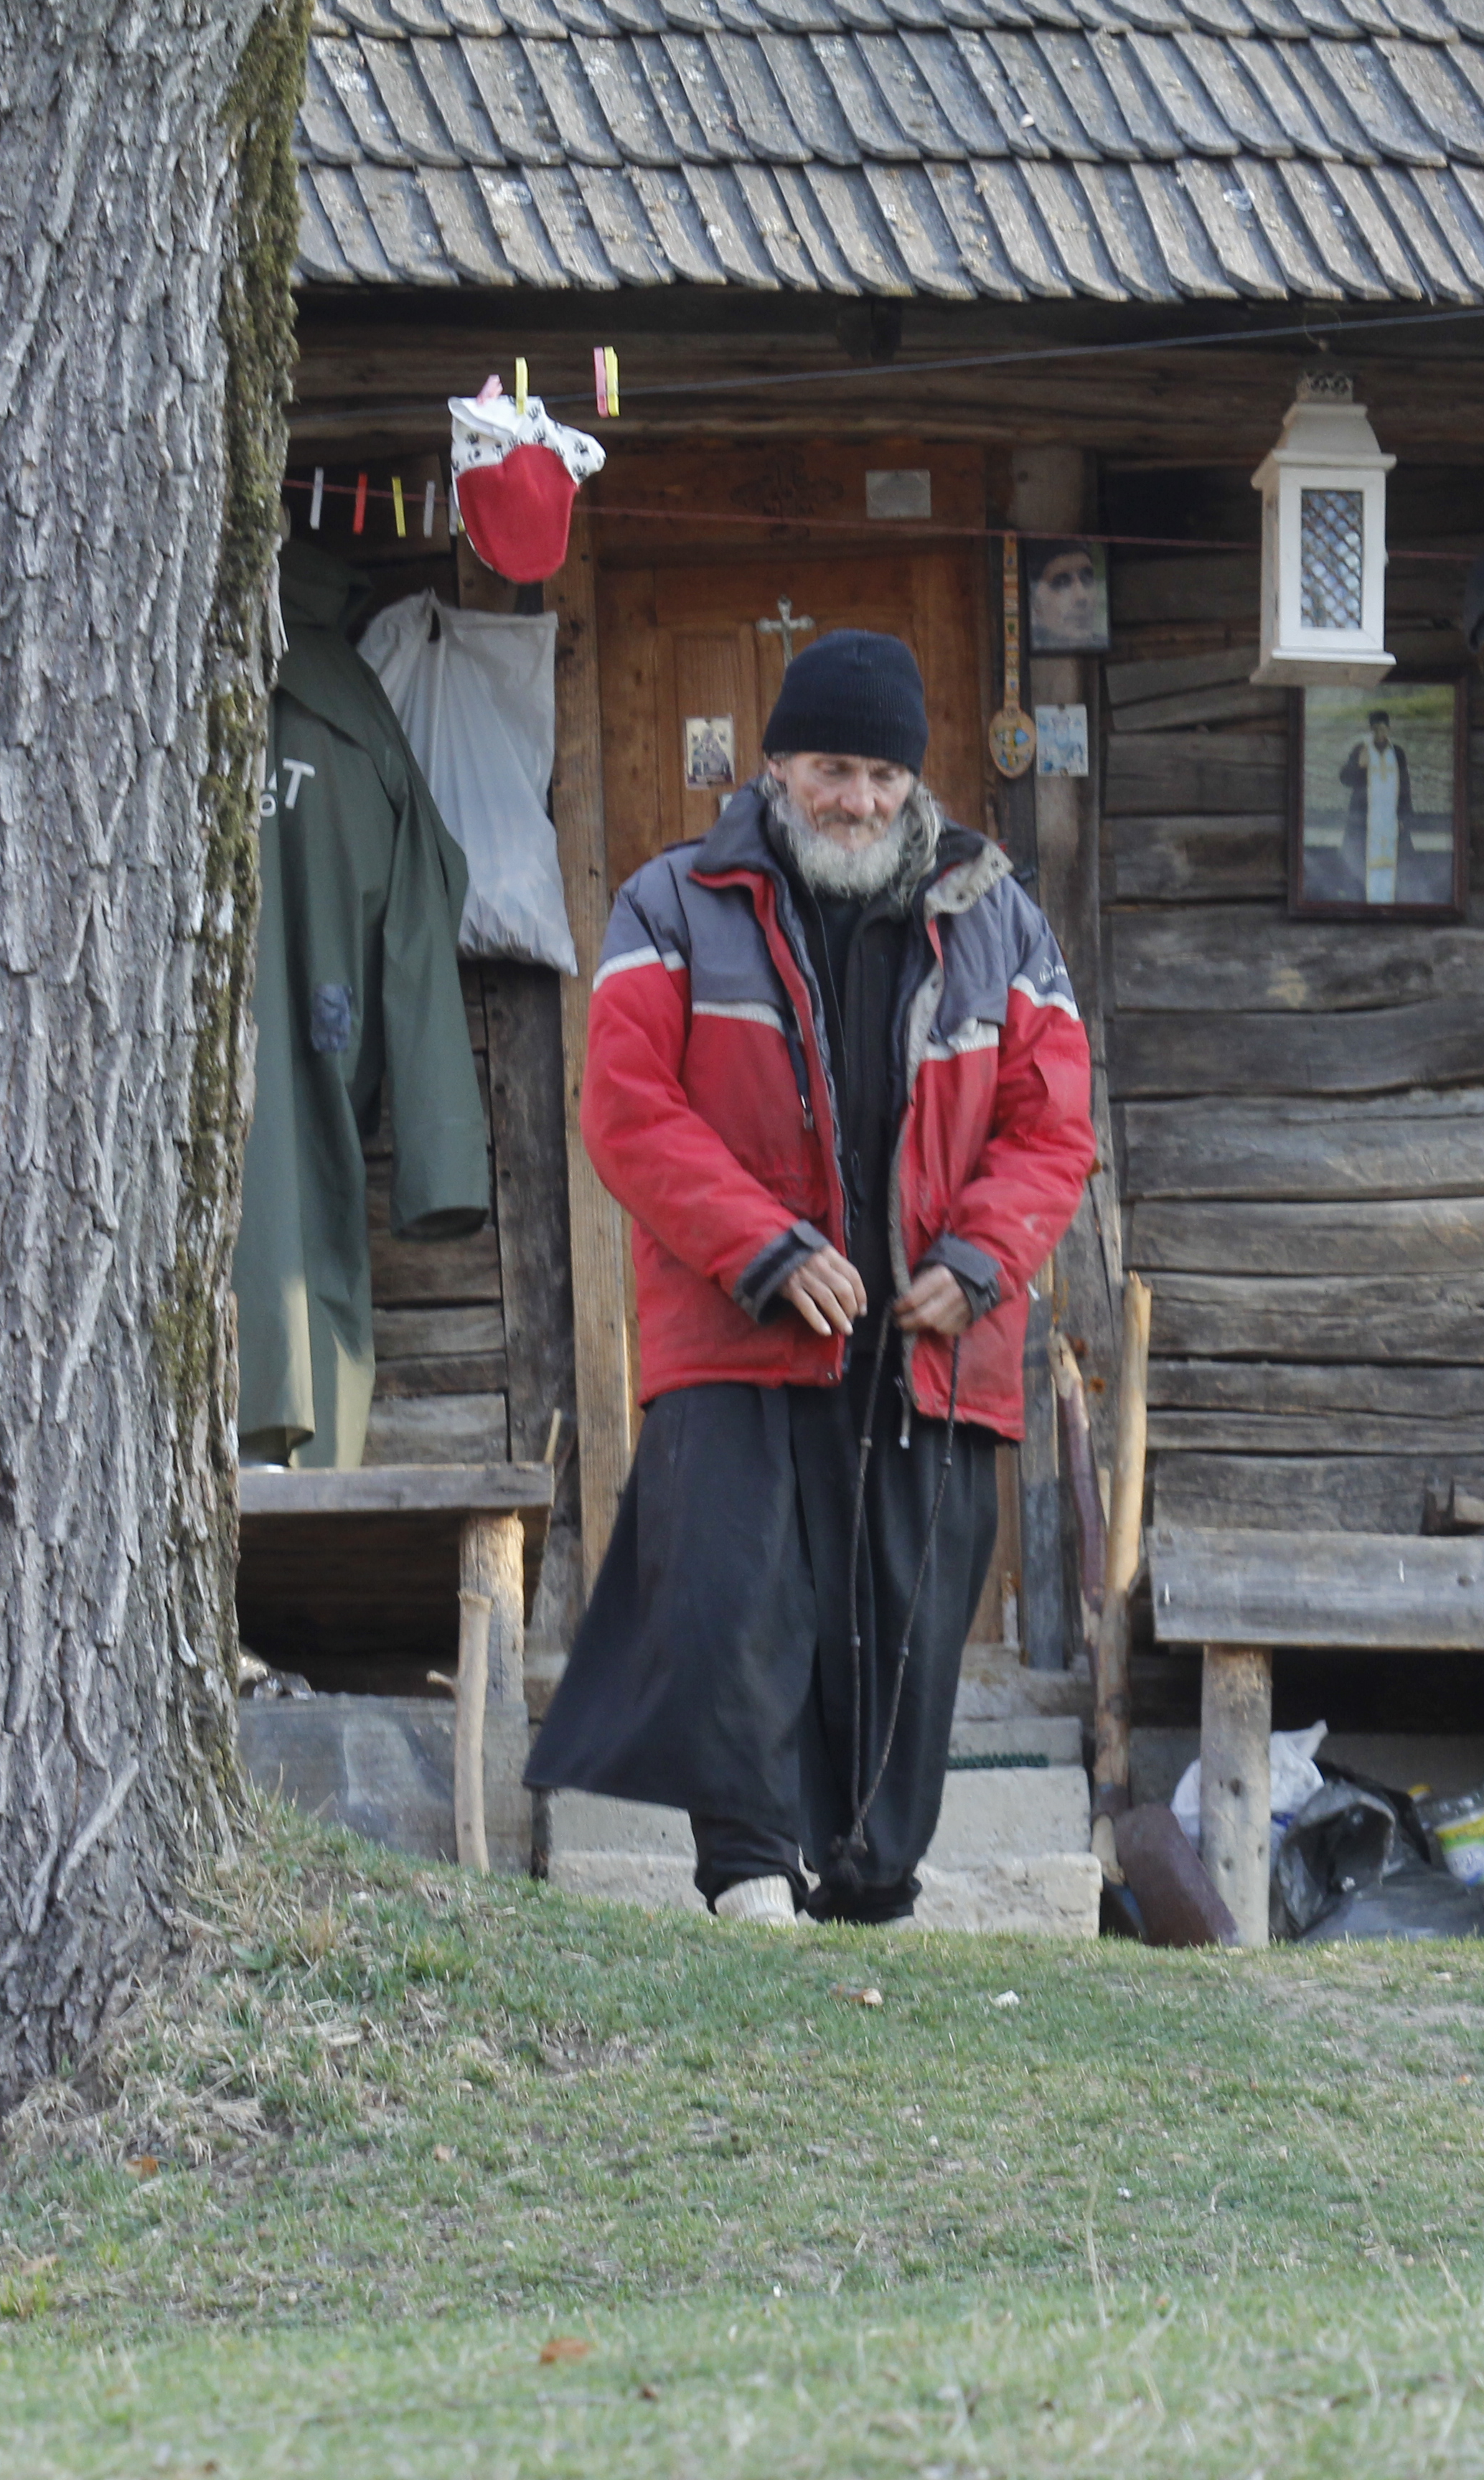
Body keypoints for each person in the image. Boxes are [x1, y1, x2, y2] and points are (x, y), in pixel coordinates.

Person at [528, 630, 1096, 1926]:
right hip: (740, 1328)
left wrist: (979, 1258)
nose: (860, 801)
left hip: (927, 1340)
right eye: (834, 769)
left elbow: (1053, 1125)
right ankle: (747, 1874)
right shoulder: (671, 903)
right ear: (778, 763)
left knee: (910, 1617)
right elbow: (627, 1109)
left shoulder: (1000, 918)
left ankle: (869, 1885)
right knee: (731, 1601)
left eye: (886, 776)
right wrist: (762, 1246)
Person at [1340, 708, 1404, 905]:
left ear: (1389, 729)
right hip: (1365, 819)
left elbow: (1405, 786)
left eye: (1383, 728)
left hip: (1391, 818)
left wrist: (1404, 817)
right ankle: (1363, 903)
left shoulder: (1397, 753)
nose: (1379, 733)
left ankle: (1391, 903)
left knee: (1396, 863)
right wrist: (1359, 765)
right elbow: (1345, 779)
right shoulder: (1362, 750)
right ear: (1370, 730)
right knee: (1362, 862)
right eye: (1375, 729)